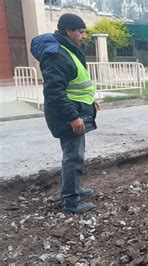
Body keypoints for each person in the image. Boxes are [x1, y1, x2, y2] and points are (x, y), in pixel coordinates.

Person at [31, 14, 99, 214]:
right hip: (67, 115)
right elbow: (54, 92)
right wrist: (72, 116)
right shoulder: (57, 55)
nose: (84, 36)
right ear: (68, 31)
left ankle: (73, 189)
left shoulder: (69, 50)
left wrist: (90, 100)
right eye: (80, 31)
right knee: (73, 157)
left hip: (76, 109)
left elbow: (74, 83)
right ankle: (71, 201)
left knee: (75, 154)